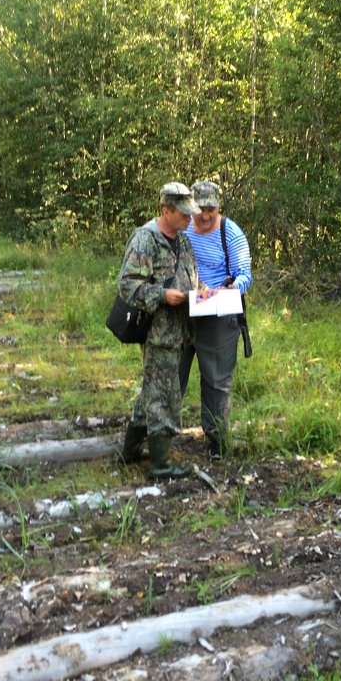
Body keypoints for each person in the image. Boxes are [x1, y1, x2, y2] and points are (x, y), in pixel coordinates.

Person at [117, 182, 200, 479]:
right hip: (158, 333)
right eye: (183, 214)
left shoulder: (183, 240)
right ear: (166, 210)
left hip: (180, 331)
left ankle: (129, 452)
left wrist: (203, 295)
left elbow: (189, 278)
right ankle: (161, 465)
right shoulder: (145, 240)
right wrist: (163, 296)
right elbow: (127, 286)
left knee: (151, 392)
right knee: (164, 396)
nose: (189, 219)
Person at [179, 180, 252, 460]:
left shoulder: (230, 233)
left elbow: (244, 273)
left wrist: (232, 288)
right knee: (174, 375)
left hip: (219, 314)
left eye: (211, 209)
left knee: (217, 381)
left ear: (218, 207)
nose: (205, 216)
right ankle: (160, 433)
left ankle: (217, 442)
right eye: (200, 210)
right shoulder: (183, 228)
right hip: (184, 311)